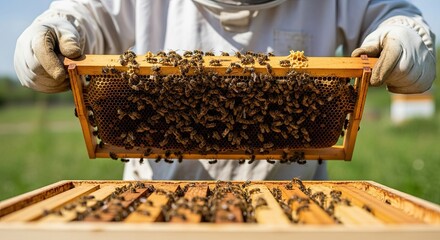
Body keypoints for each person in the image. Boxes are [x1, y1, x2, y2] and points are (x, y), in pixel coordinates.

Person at [14, 0, 436, 181]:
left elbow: (395, 15)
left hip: (290, 206)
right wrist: (46, 38)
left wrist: (403, 42)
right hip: (155, 200)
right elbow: (78, 15)